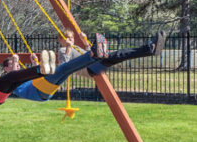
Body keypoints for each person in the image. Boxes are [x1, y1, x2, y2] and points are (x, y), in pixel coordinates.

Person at [11, 32, 166, 102]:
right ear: (61, 41)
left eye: (71, 37)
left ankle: (149, 49)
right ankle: (94, 53)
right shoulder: (63, 50)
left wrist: (85, 42)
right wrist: (69, 49)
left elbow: (85, 52)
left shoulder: (74, 47)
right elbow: (65, 65)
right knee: (65, 68)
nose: (70, 40)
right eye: (67, 38)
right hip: (87, 69)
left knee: (118, 54)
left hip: (92, 62)